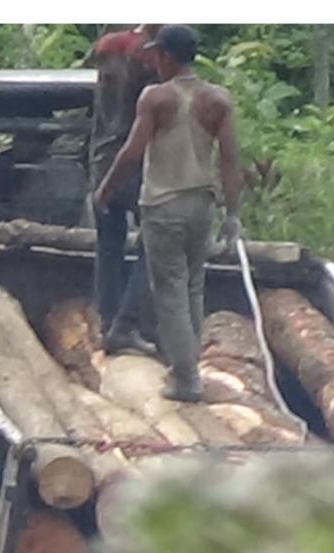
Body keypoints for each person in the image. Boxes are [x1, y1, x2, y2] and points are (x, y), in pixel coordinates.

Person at [94, 25, 243, 402]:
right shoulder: (218, 99)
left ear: (167, 57)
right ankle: (188, 365)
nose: (155, 61)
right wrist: (232, 213)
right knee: (193, 287)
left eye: (158, 55)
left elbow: (131, 150)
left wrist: (106, 187)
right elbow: (230, 158)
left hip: (165, 204)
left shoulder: (157, 97)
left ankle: (186, 378)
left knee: (171, 291)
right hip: (201, 203)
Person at [87, 23, 162, 356]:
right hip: (137, 160)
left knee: (109, 244)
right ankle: (125, 324)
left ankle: (107, 321)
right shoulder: (148, 56)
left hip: (102, 156)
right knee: (155, 245)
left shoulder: (108, 47)